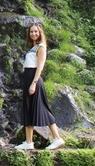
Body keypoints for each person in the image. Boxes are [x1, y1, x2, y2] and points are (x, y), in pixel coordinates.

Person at [14, 23, 65, 151]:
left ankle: (57, 138)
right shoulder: (34, 47)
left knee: (42, 109)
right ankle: (28, 142)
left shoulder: (41, 47)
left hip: (34, 79)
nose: (33, 34)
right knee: (28, 109)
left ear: (40, 33)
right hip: (28, 79)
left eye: (36, 31)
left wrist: (34, 83)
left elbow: (40, 66)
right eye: (31, 32)